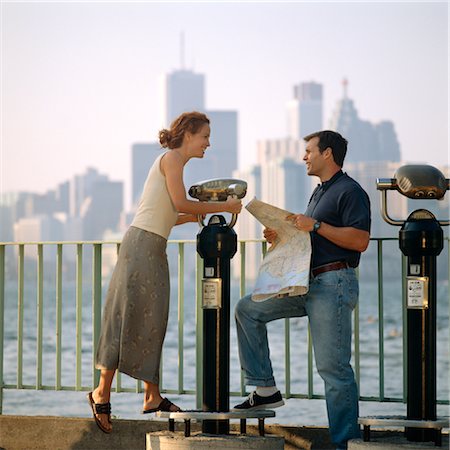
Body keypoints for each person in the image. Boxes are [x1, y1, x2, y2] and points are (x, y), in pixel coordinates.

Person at [87, 111, 242, 434]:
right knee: (123, 317)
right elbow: (180, 202)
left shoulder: (176, 164)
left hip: (152, 245)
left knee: (153, 317)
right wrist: (224, 207)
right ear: (188, 134)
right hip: (141, 246)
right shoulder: (171, 158)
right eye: (205, 137)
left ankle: (152, 395)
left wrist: (195, 216)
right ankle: (102, 393)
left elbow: (169, 212)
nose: (208, 144)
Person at [233, 130, 371, 449]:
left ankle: (344, 444)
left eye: (309, 151)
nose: (304, 156)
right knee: (247, 309)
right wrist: (282, 235)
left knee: (332, 369)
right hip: (306, 284)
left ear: (328, 154)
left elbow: (360, 240)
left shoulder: (350, 191)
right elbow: (312, 238)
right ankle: (265, 389)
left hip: (333, 285)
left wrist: (317, 226)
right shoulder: (319, 193)